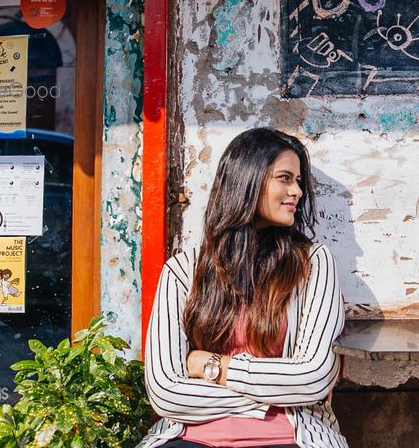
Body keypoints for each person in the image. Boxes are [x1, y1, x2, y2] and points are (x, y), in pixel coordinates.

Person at [139, 127, 348, 448]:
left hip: (287, 438)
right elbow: (166, 392)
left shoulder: (314, 264)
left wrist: (214, 367)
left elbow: (313, 378)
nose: (297, 192)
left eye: (299, 181)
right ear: (247, 181)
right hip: (190, 439)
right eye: (285, 178)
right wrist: (267, 398)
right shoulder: (182, 272)